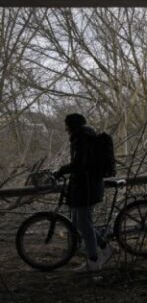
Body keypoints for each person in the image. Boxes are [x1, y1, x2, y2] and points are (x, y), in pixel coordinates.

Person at [54, 113, 112, 273]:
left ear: (72, 126)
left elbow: (79, 164)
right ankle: (105, 247)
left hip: (86, 187)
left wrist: (61, 171)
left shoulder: (82, 139)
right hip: (89, 185)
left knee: (84, 224)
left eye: (67, 125)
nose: (66, 129)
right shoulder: (87, 136)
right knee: (82, 223)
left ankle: (93, 261)